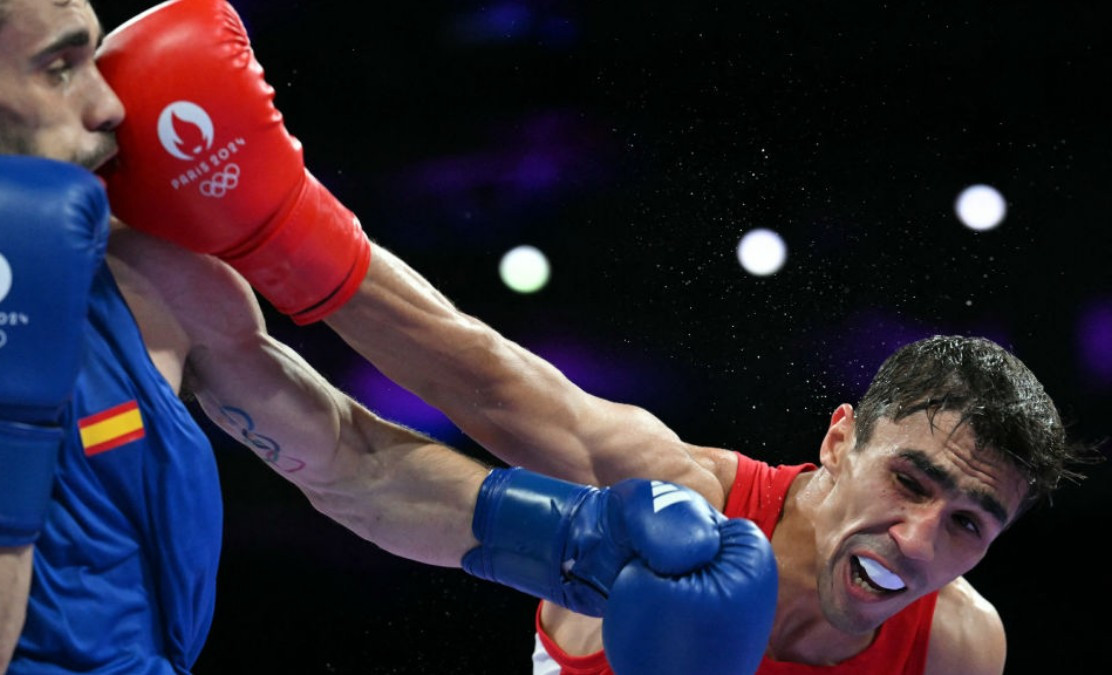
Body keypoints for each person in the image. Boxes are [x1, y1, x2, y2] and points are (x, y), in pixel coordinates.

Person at [98, 6, 1098, 675]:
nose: (923, 541)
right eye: (912, 483)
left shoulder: (958, 646)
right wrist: (275, 230)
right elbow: (477, 379)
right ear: (840, 439)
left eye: (972, 523)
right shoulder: (676, 507)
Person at [0, 1, 782, 674]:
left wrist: (577, 541)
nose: (108, 103)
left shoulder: (153, 281)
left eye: (94, 55)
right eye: (60, 68)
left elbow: (349, 461)